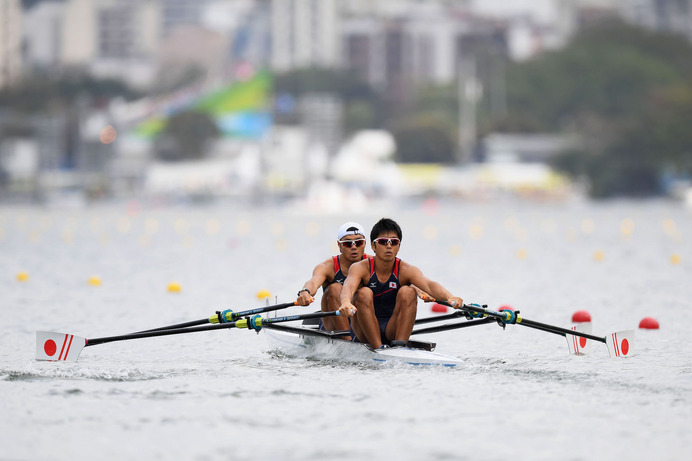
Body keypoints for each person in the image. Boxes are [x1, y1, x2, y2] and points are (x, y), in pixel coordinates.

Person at [338, 217, 464, 349]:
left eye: (393, 242)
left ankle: (400, 345)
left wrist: (450, 297)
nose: (388, 245)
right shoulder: (360, 268)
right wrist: (346, 302)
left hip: (392, 328)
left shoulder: (406, 270)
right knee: (364, 293)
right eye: (383, 241)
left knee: (408, 291)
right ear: (373, 246)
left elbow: (429, 285)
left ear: (399, 246)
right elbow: (348, 287)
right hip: (363, 331)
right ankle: (378, 348)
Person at [295, 222, 370, 337]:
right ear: (339, 245)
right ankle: (347, 340)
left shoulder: (374, 264)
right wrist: (305, 292)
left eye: (358, 242)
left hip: (362, 319)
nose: (354, 247)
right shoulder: (327, 267)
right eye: (347, 243)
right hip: (333, 323)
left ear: (364, 244)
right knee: (335, 288)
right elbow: (313, 282)